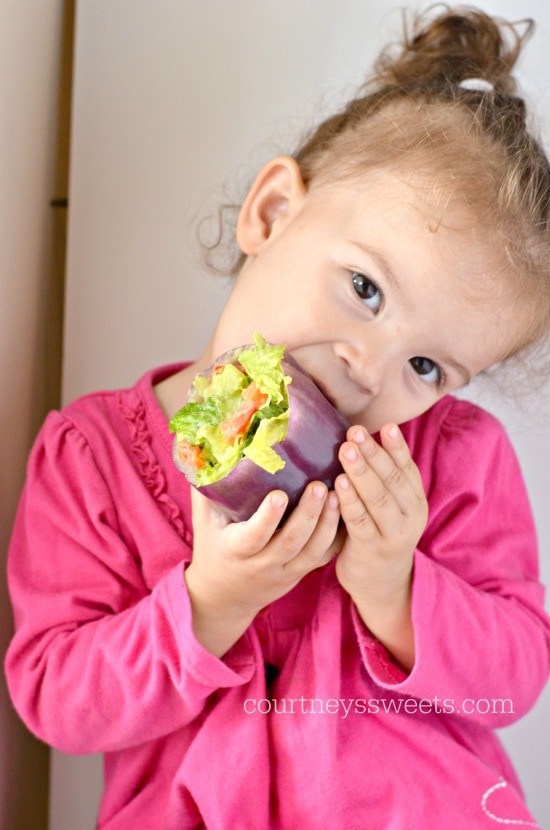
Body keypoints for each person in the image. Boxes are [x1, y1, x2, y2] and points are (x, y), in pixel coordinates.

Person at [5, 5, 550, 828]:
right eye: (365, 288)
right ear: (269, 214)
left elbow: (513, 680)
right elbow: (56, 701)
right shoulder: (94, 457)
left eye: (427, 366)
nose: (368, 371)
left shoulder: (456, 459)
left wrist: (399, 588)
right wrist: (209, 602)